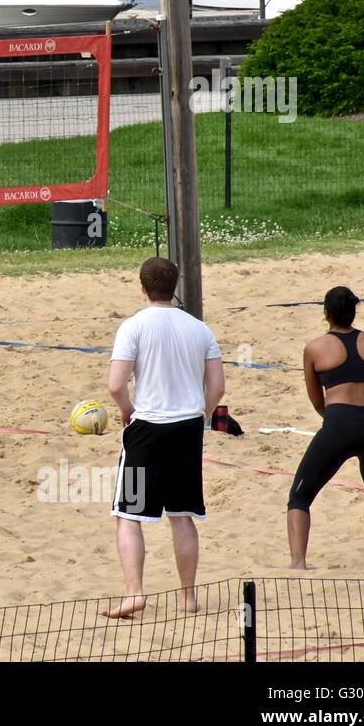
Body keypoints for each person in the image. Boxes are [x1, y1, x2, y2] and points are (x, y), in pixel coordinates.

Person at [104, 257, 224, 619]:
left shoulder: (134, 327)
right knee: (182, 515)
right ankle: (188, 598)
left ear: (142, 288)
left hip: (149, 428)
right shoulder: (199, 329)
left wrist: (127, 410)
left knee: (128, 514)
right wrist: (200, 417)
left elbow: (114, 384)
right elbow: (217, 387)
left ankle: (135, 593)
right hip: (187, 428)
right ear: (175, 286)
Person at [287, 286, 364, 568]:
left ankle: (297, 563)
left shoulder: (314, 348)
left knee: (300, 495)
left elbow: (317, 400)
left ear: (326, 313)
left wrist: (336, 422)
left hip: (340, 422)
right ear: (354, 311)